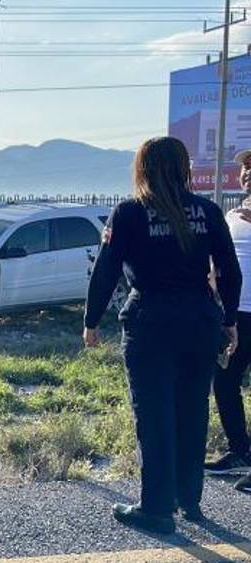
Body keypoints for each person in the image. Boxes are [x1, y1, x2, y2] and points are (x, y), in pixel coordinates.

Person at [85, 136, 241, 534]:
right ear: (185, 167)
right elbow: (228, 269)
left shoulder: (130, 213)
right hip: (200, 320)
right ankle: (190, 501)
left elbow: (105, 270)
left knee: (153, 415)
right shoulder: (207, 210)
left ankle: (156, 508)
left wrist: (91, 321)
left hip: (151, 321)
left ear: (143, 168)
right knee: (192, 410)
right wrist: (228, 320)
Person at [208, 148, 251, 492]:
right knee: (223, 381)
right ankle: (240, 450)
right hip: (234, 314)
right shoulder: (230, 215)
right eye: (245, 168)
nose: (248, 172)